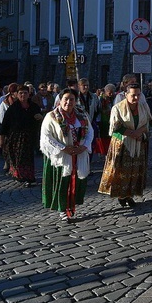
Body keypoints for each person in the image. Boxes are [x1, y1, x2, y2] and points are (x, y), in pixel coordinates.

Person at [40, 88, 93, 222]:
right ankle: (62, 209)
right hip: (62, 156)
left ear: (76, 101)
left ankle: (71, 205)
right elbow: (47, 137)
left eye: (72, 99)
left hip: (78, 153)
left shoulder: (82, 115)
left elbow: (90, 132)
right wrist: (63, 148)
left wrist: (84, 146)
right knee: (63, 182)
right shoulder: (52, 116)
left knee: (75, 181)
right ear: (60, 100)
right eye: (66, 99)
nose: (68, 102)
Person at [98, 83, 152, 207]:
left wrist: (140, 133)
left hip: (138, 143)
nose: (136, 98)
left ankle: (130, 195)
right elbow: (115, 127)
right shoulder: (117, 108)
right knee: (122, 171)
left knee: (135, 170)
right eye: (133, 95)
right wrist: (131, 133)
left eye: (138, 95)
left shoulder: (144, 107)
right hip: (122, 144)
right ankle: (122, 195)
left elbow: (148, 123)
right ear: (126, 95)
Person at [0, 84, 43, 185]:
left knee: (28, 157)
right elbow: (4, 124)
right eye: (21, 93)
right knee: (18, 157)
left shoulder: (34, 107)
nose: (23, 95)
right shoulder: (13, 108)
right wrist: (1, 139)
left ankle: (29, 176)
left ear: (29, 94)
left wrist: (40, 118)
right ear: (17, 94)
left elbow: (40, 121)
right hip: (16, 137)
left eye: (25, 93)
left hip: (30, 136)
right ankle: (20, 175)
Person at [95, 84, 117, 155]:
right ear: (106, 91)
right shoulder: (102, 98)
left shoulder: (112, 98)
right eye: (109, 92)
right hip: (103, 120)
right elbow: (100, 109)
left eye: (112, 92)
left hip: (109, 119)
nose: (111, 94)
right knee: (103, 136)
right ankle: (103, 151)